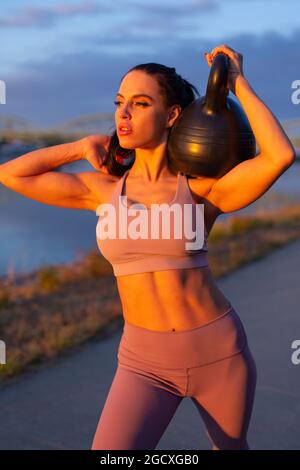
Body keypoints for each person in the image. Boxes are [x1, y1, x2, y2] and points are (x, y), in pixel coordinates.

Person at [0, 44, 295, 450]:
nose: (123, 114)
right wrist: (81, 145)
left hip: (218, 352)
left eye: (140, 104)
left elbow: (280, 156)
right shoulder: (101, 190)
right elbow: (10, 174)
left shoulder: (201, 190)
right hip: (143, 362)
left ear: (172, 115)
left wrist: (237, 83)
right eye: (120, 103)